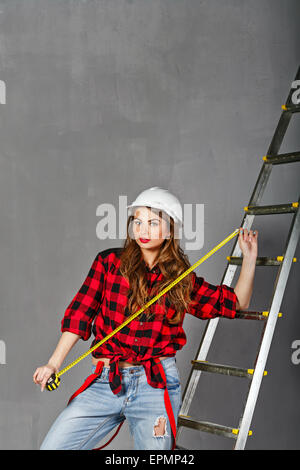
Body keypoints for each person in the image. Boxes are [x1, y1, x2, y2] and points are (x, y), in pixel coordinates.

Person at [33, 186, 258, 450]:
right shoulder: (108, 263)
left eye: (153, 223)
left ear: (169, 230)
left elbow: (235, 303)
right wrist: (53, 364)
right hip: (107, 380)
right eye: (138, 222)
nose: (143, 230)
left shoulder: (181, 280)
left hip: (156, 384)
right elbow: (80, 314)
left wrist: (250, 258)